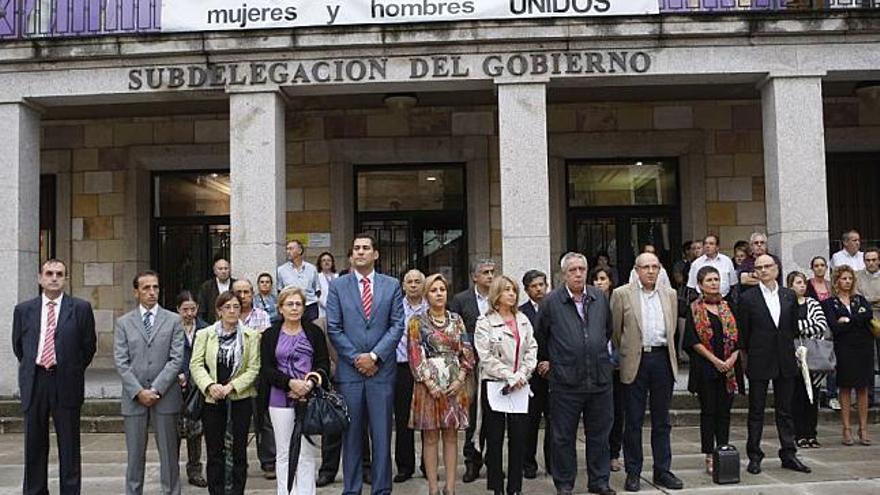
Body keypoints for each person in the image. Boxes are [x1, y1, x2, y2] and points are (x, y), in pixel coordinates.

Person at [326, 233, 405, 495]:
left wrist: (374, 357)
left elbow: (397, 325)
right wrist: (356, 358)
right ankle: (352, 489)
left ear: (375, 254)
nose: (360, 252)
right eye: (356, 248)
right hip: (351, 373)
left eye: (365, 248)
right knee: (352, 436)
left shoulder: (391, 285)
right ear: (351, 255)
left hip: (381, 371)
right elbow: (334, 328)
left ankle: (381, 489)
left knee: (382, 435)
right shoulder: (338, 286)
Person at [13, 259, 96, 495]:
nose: (54, 278)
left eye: (59, 273)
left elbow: (88, 346)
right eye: (49, 273)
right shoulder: (24, 310)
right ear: (40, 278)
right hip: (36, 381)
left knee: (69, 445)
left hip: (65, 381)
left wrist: (71, 367)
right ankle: (35, 490)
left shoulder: (80, 308)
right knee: (34, 444)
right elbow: (19, 346)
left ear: (66, 279)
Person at [537, 252, 615, 495]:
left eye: (582, 269)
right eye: (573, 270)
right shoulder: (551, 302)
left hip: (599, 379)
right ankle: (564, 483)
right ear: (563, 274)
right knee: (562, 437)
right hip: (566, 382)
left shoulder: (599, 298)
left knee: (600, 435)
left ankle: (599, 481)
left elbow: (607, 330)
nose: (578, 273)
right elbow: (541, 336)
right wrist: (550, 362)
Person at [611, 252, 683, 492]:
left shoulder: (670, 294)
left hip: (662, 359)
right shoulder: (622, 294)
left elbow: (672, 330)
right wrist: (627, 354)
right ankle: (633, 472)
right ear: (636, 270)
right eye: (646, 267)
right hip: (635, 360)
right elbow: (616, 331)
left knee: (662, 420)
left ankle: (663, 470)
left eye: (655, 267)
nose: (651, 271)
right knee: (633, 420)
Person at [736, 255, 810, 475]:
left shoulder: (789, 295)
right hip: (759, 358)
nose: (763, 270)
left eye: (768, 266)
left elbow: (793, 328)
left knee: (785, 410)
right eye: (759, 268)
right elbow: (744, 334)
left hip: (785, 359)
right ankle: (754, 455)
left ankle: (789, 453)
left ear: (777, 269)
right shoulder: (748, 298)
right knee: (756, 410)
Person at [114, 270, 185, 495]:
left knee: (169, 456)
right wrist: (138, 391)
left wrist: (156, 389)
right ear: (136, 292)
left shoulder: (173, 320)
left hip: (165, 397)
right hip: (134, 399)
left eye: (155, 287)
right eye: (146, 288)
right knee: (135, 456)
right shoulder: (123, 323)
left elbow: (176, 358)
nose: (152, 292)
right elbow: (121, 361)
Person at [409, 273, 476, 495]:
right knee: (429, 437)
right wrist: (430, 383)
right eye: (434, 290)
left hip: (454, 386)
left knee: (451, 435)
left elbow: (467, 351)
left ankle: (450, 487)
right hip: (427, 386)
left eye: (442, 290)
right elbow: (414, 354)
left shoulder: (457, 319)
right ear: (426, 294)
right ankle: (432, 489)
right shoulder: (416, 322)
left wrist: (460, 380)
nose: (439, 294)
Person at [261, 286, 331, 495]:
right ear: (280, 308)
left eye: (298, 304)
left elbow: (323, 363)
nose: (294, 308)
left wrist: (308, 384)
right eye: (289, 304)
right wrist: (290, 383)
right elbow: (266, 368)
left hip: (308, 399)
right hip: (279, 398)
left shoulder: (314, 332)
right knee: (283, 452)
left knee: (306, 452)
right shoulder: (270, 334)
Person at [190, 291, 261, 495]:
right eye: (227, 307)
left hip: (240, 399)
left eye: (236, 307)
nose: (232, 311)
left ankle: (237, 491)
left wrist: (231, 387)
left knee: (238, 451)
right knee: (215, 452)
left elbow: (253, 368)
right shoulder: (204, 335)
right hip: (213, 400)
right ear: (219, 311)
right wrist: (210, 386)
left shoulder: (251, 336)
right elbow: (196, 365)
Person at [475, 275, 537, 495]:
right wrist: (508, 375)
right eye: (506, 290)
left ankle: (515, 487)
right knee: (494, 438)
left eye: (513, 290)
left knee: (519, 438)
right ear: (497, 295)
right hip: (495, 386)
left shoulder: (523, 319)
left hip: (520, 386)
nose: (511, 294)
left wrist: (522, 373)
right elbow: (485, 356)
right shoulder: (485, 322)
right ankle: (497, 487)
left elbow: (532, 349)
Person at [683, 266, 740, 476]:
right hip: (706, 367)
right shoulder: (694, 309)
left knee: (724, 413)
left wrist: (731, 359)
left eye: (716, 279)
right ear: (700, 284)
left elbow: (740, 338)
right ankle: (709, 454)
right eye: (709, 280)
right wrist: (715, 360)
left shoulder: (730, 306)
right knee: (709, 412)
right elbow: (692, 341)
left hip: (729, 369)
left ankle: (722, 450)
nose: (714, 283)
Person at [449, 258, 496, 483]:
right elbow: (455, 332)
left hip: (496, 367)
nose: (490, 276)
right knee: (472, 415)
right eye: (485, 272)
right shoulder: (460, 300)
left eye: (492, 272)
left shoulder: (499, 297)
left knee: (494, 415)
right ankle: (472, 462)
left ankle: (493, 461)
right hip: (470, 366)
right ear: (474, 277)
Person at [823, 265, 874, 446]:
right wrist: (852, 322)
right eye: (843, 278)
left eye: (850, 278)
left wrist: (849, 320)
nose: (847, 282)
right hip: (844, 349)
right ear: (837, 281)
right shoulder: (830, 303)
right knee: (845, 387)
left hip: (864, 347)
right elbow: (835, 326)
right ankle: (846, 429)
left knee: (863, 388)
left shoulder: (859, 300)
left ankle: (864, 428)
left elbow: (867, 315)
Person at [232, 279, 275, 479]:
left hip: (258, 374)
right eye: (239, 292)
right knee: (235, 421)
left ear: (252, 294)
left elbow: (263, 340)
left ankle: (268, 461)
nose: (243, 296)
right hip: (234, 376)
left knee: (262, 419)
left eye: (247, 292)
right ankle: (236, 461)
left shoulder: (262, 315)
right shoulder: (229, 316)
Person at [786, 271, 829, 449]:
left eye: (803, 283)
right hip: (793, 355)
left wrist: (800, 327)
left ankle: (811, 434)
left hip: (812, 356)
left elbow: (820, 324)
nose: (802, 286)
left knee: (813, 396)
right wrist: (805, 326)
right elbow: (787, 326)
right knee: (796, 396)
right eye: (797, 283)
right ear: (790, 286)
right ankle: (798, 434)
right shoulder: (786, 304)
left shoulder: (812, 303)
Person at [396, 269, 428, 483]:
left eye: (418, 281)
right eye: (410, 281)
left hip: (428, 369)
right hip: (401, 367)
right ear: (404, 285)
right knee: (402, 420)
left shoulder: (433, 306)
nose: (414, 285)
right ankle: (405, 466)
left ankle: (428, 464)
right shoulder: (395, 307)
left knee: (428, 420)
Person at [519, 269, 551, 479]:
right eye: (534, 286)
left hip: (554, 372)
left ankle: (554, 463)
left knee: (556, 423)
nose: (539, 289)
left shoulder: (556, 307)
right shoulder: (520, 313)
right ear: (526, 290)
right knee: (529, 423)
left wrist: (552, 362)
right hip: (531, 376)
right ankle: (528, 464)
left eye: (542, 284)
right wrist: (535, 363)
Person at [175, 291, 209, 488]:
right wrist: (178, 373)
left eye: (192, 309)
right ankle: (171, 471)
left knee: (196, 430)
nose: (189, 313)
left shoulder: (205, 329)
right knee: (174, 431)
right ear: (178, 310)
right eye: (185, 309)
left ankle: (195, 470)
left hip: (197, 386)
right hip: (175, 386)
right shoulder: (171, 329)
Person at [590, 267, 622, 473]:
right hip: (595, 365)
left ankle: (614, 454)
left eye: (603, 279)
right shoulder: (589, 303)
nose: (599, 283)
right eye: (595, 280)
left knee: (617, 413)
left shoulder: (618, 301)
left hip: (617, 364)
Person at [277, 240, 321, 322]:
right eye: (287, 249)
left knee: (311, 332)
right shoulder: (281, 270)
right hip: (291, 306)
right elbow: (280, 290)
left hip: (310, 306)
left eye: (291, 249)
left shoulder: (312, 268)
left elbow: (317, 290)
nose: (288, 252)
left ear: (300, 251)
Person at [686, 234, 738, 299]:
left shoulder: (727, 261)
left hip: (725, 299)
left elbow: (733, 283)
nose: (707, 246)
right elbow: (691, 286)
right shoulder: (696, 264)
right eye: (705, 244)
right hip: (703, 301)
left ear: (717, 247)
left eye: (711, 244)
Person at [197, 257, 235, 324]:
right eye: (220, 269)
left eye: (226, 268)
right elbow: (202, 309)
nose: (223, 271)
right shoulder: (206, 287)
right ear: (214, 271)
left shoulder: (236, 285)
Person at [317, 252, 339, 319]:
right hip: (323, 310)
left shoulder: (337, 276)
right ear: (320, 263)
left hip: (337, 310)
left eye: (329, 260)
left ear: (332, 263)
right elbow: (316, 295)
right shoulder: (317, 277)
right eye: (323, 260)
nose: (326, 262)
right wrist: (327, 306)